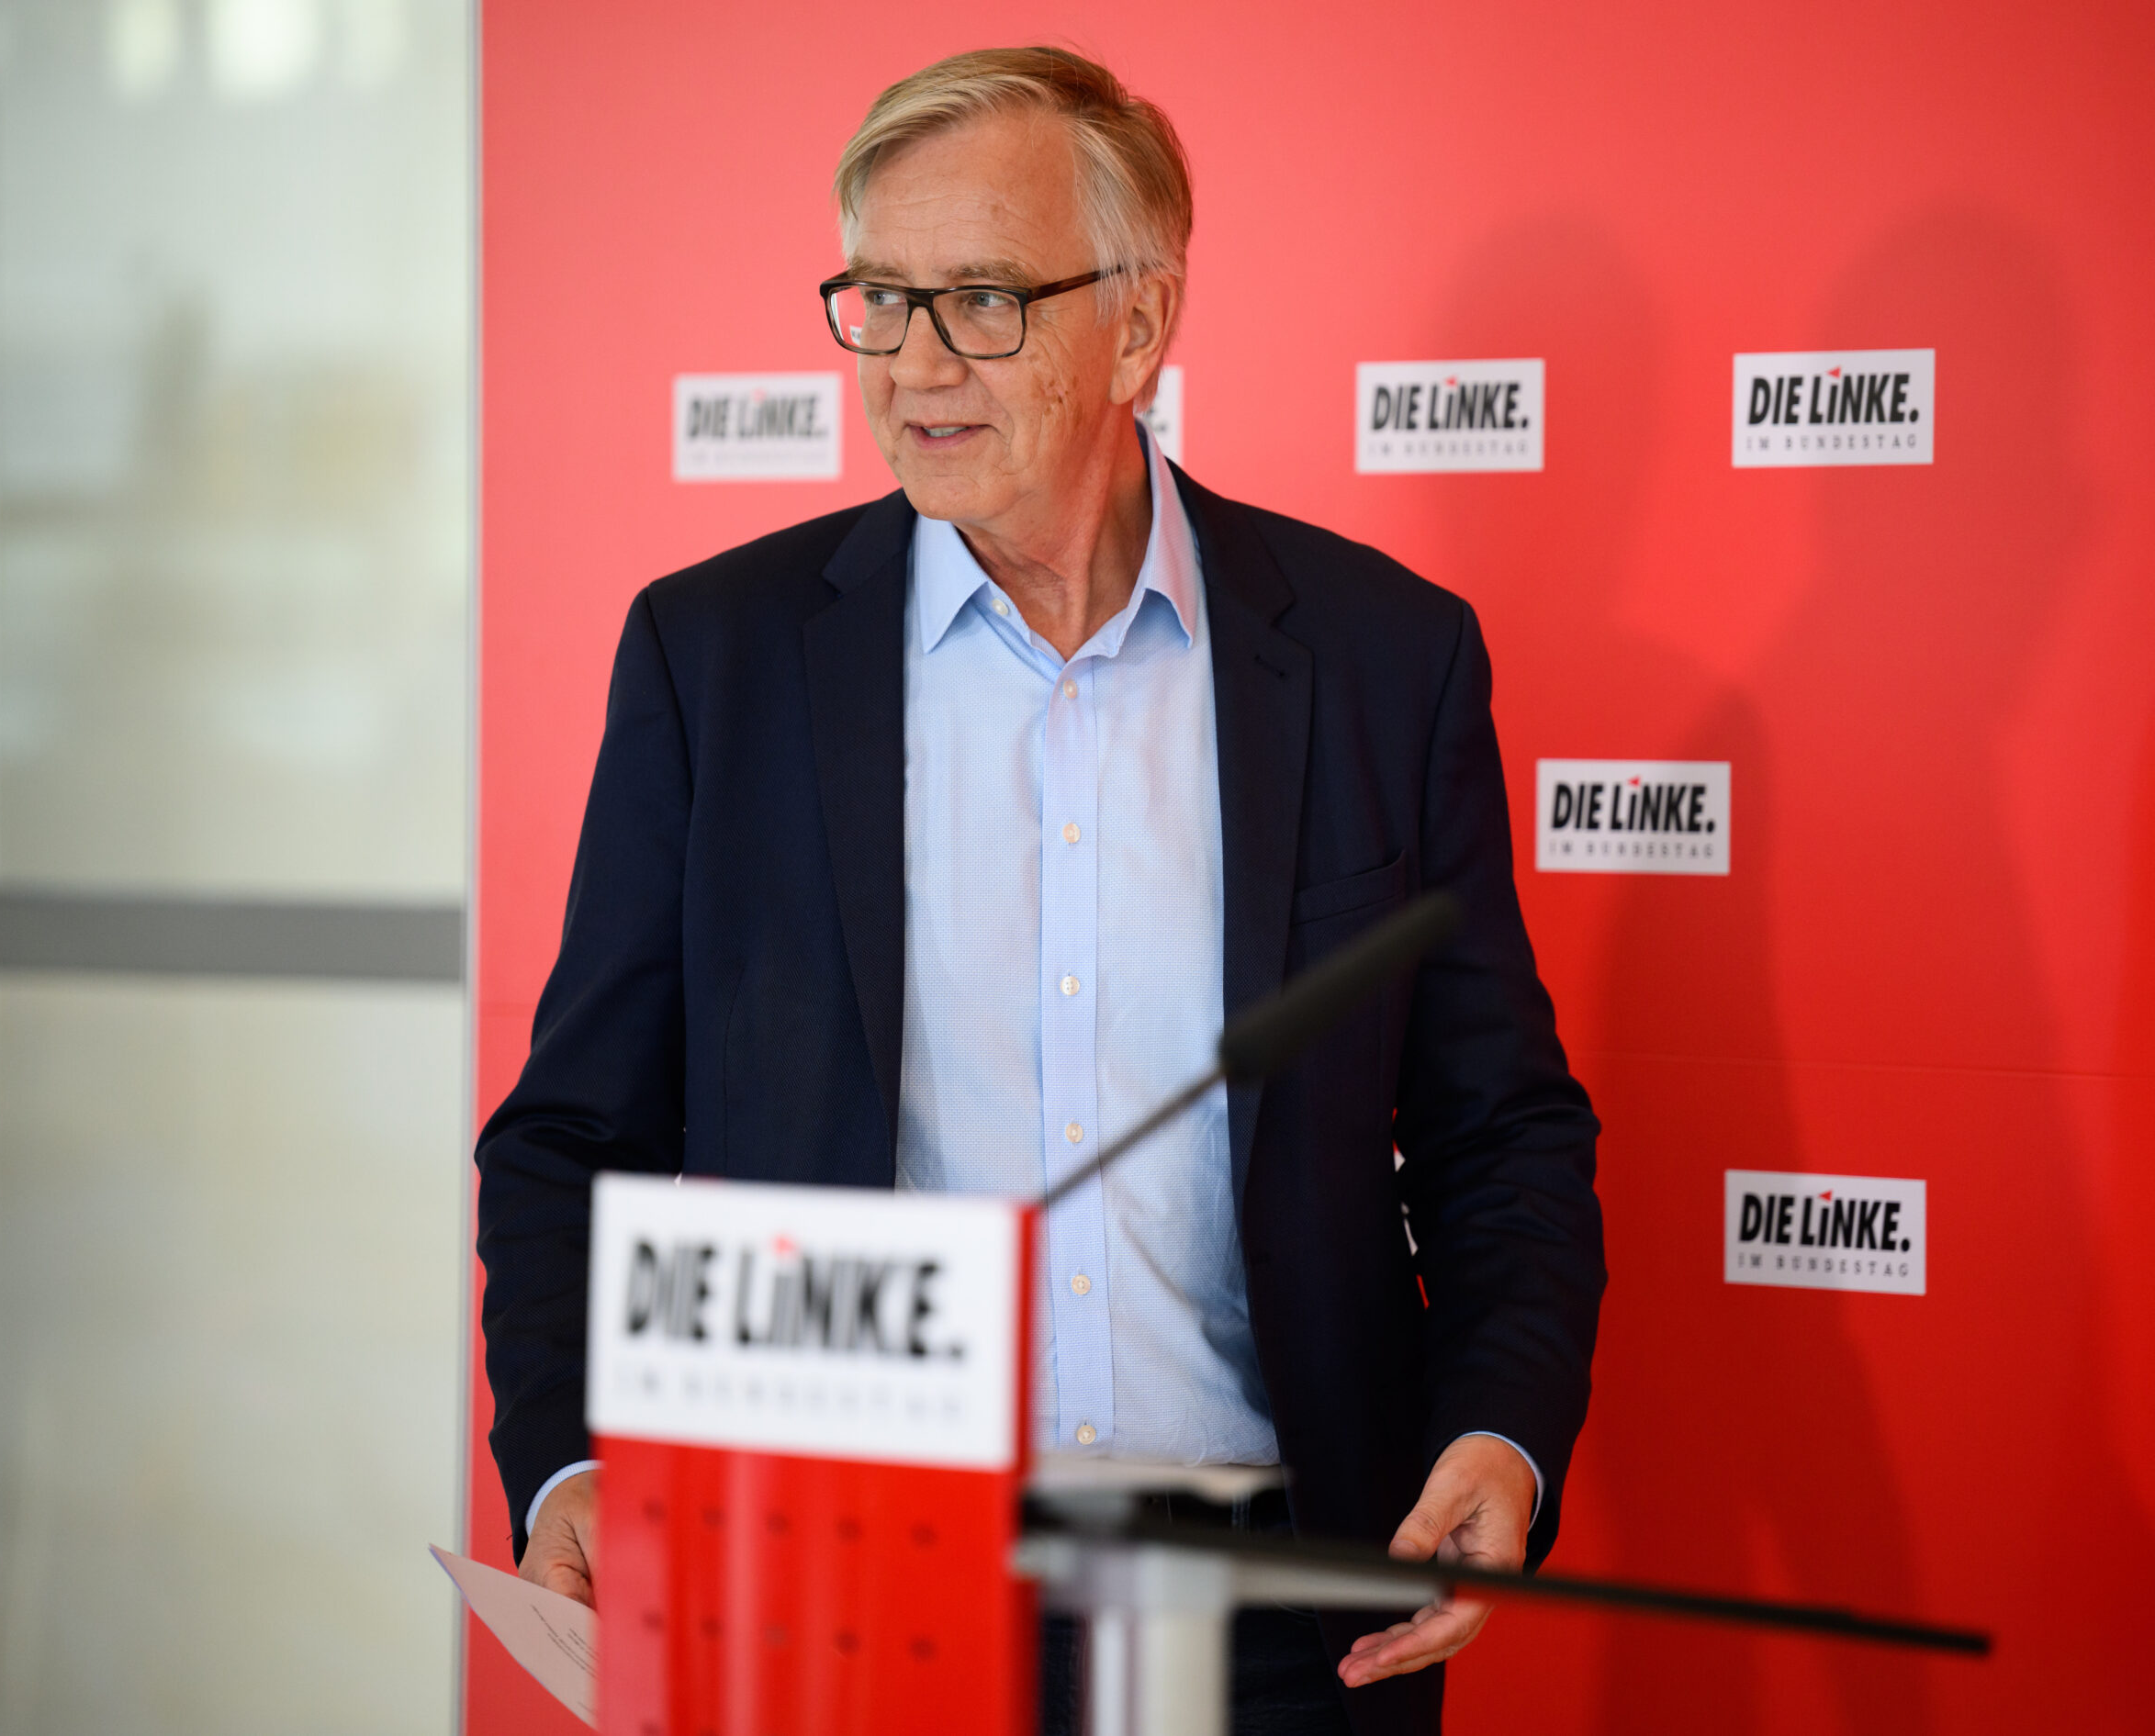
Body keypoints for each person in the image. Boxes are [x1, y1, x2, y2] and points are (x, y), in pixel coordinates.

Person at [475, 46, 1604, 1736]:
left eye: (983, 302)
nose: (915, 364)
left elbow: (1497, 1129)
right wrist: (566, 1459)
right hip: (854, 1618)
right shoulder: (717, 661)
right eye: (881, 298)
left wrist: (1495, 1433)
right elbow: (573, 1136)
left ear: (1139, 326)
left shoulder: (1384, 661)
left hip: (1282, 1629)